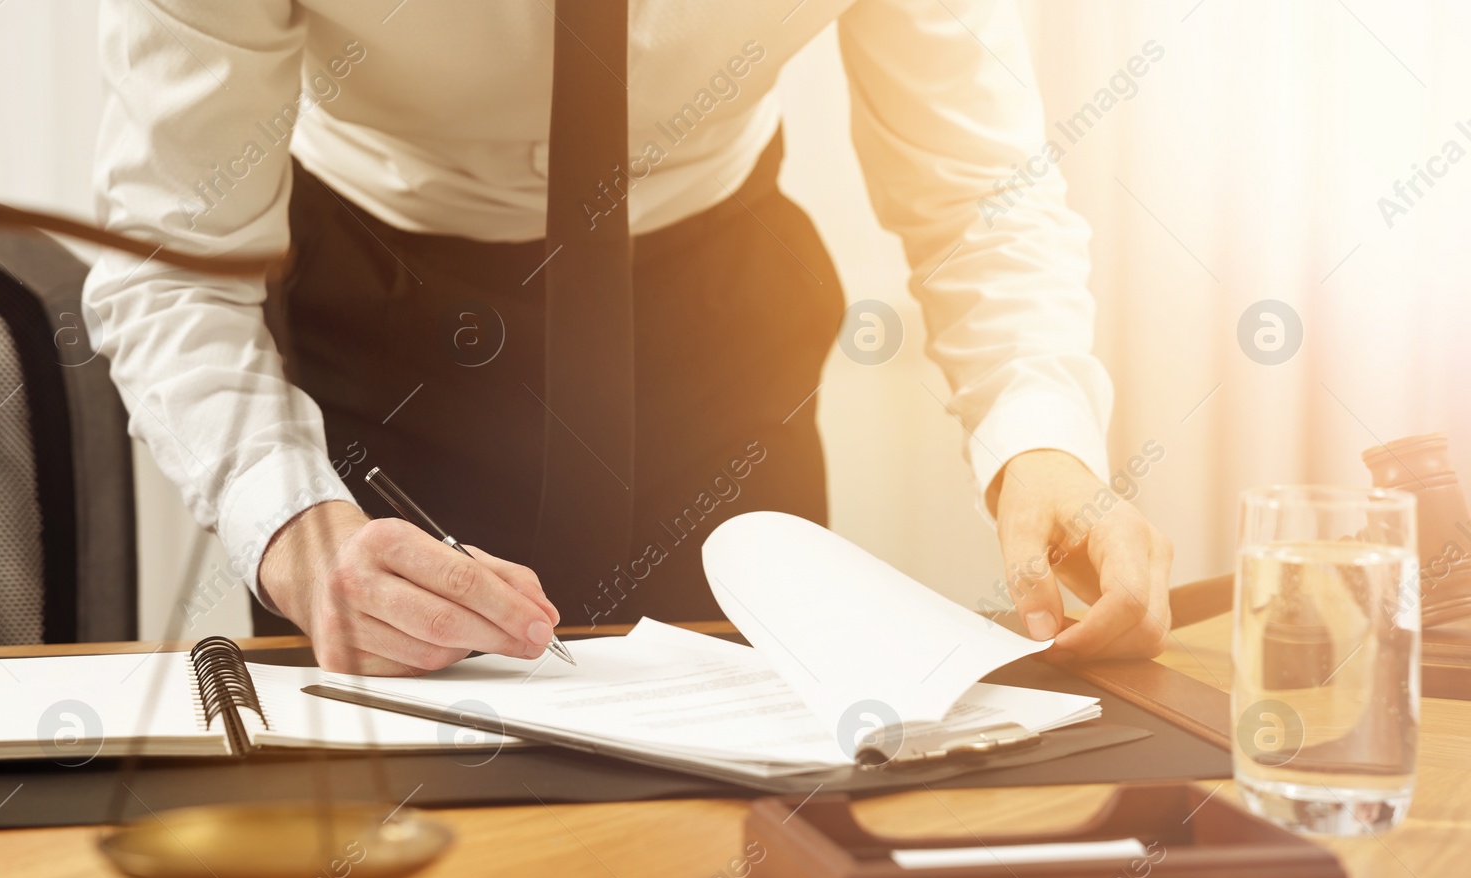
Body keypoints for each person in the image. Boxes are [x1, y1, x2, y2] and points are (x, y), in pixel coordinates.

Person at [85, 0, 1172, 677]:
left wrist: (1043, 446)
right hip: (384, 330)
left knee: (747, 839)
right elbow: (168, 256)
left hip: (713, 318)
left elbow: (979, 189)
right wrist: (299, 534)